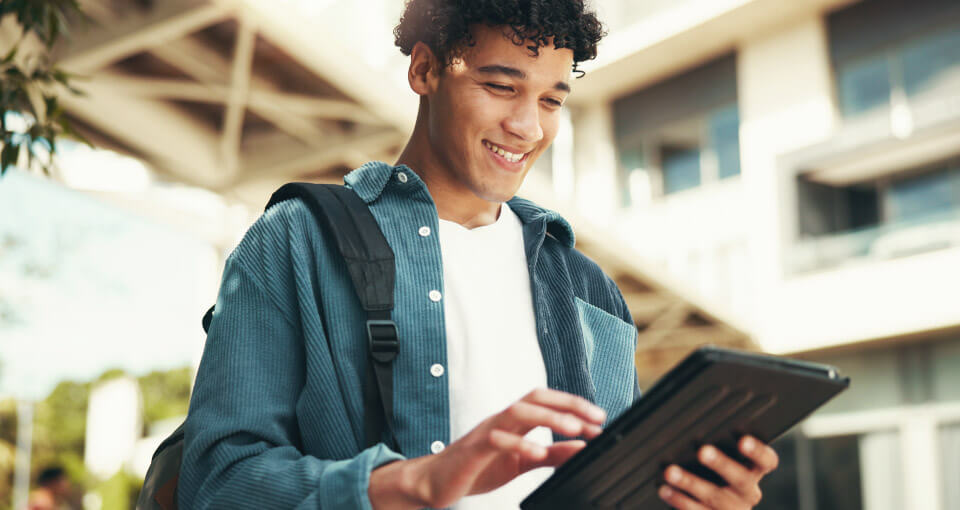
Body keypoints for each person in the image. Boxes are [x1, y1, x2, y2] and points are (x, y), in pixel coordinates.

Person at [178, 1, 780, 509]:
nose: (527, 126)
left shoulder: (588, 289)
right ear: (424, 70)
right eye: (500, 86)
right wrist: (410, 483)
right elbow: (215, 480)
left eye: (551, 100)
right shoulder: (297, 240)